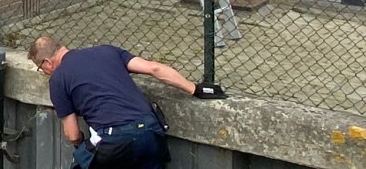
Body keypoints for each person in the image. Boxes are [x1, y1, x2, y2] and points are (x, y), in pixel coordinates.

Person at [28, 36, 226, 169]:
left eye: (40, 68)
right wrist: (194, 88)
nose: (43, 72)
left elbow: (71, 134)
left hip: (115, 141)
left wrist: (82, 147)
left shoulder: (58, 79)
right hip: (151, 130)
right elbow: (154, 69)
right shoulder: (107, 51)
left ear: (47, 62)